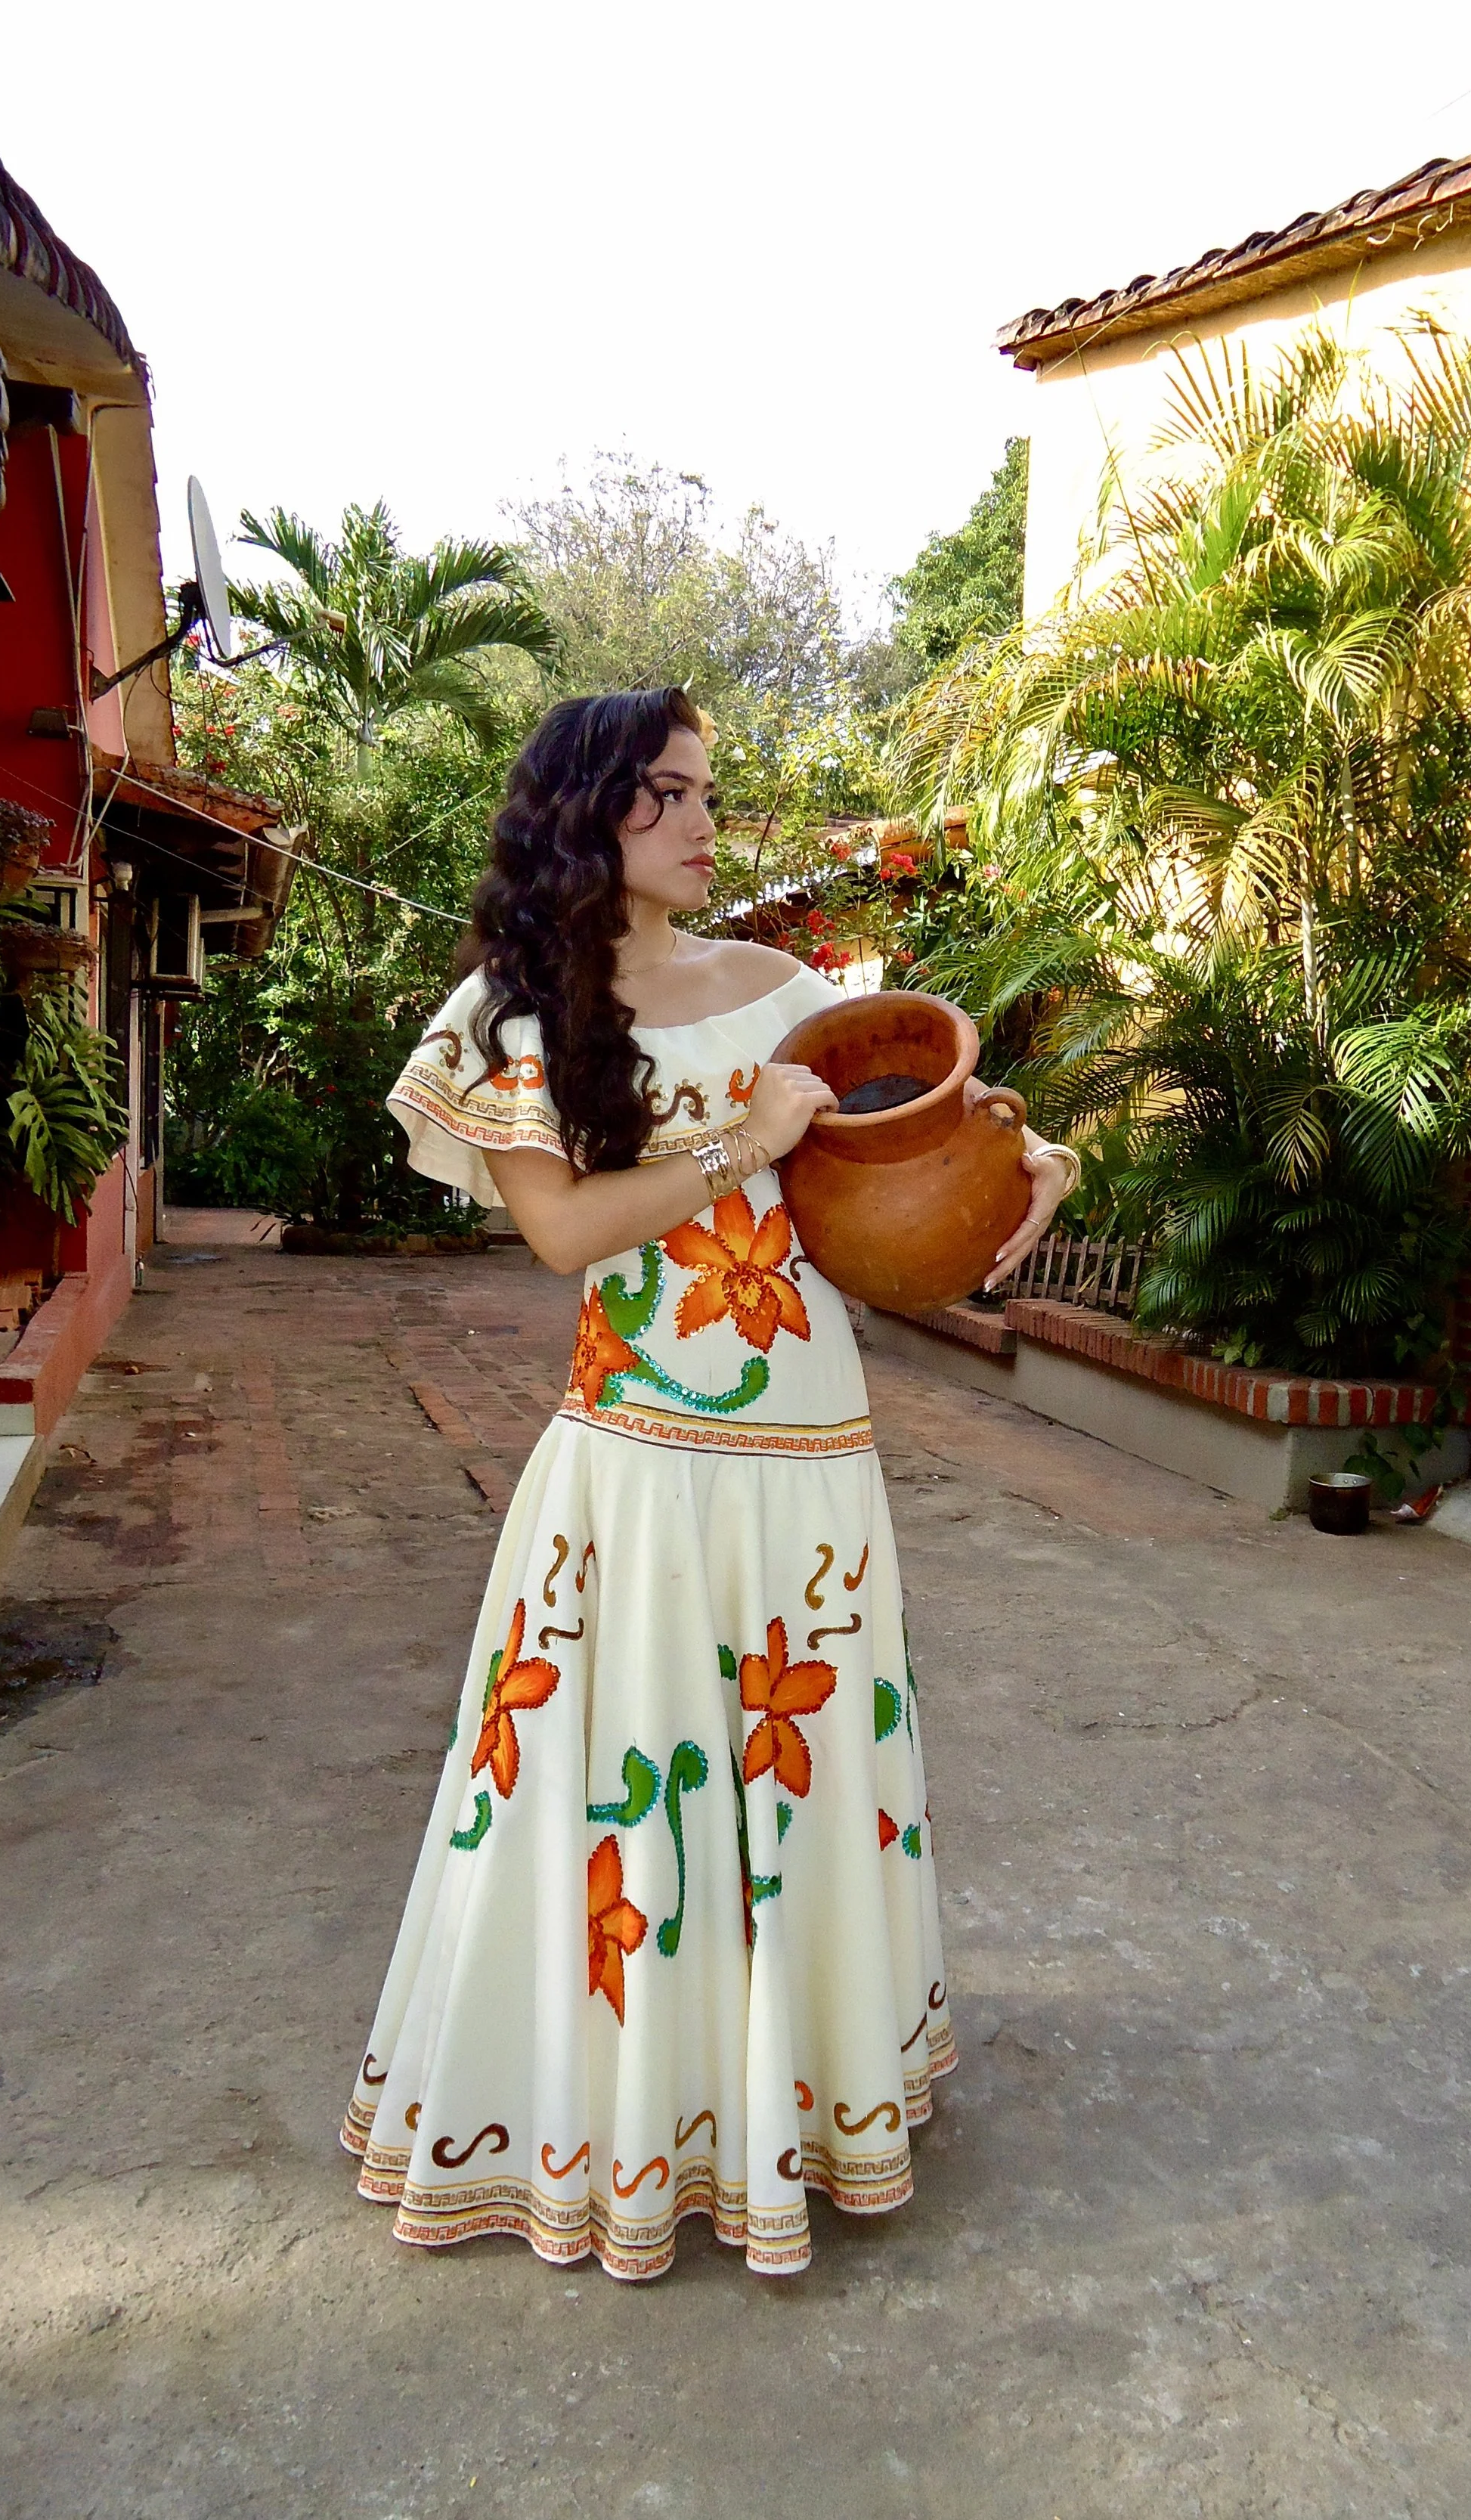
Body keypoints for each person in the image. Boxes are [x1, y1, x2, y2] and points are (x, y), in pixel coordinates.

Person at [341, 688, 1074, 2280]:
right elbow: (563, 1233)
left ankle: (802, 2109)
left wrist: (1031, 1163)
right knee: (620, 1782)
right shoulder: (510, 1016)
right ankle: (612, 2132)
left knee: (800, 1772)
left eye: (707, 794)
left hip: (810, 1461)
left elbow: (914, 1141)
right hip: (637, 1465)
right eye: (664, 793)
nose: (700, 823)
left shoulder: (791, 996)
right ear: (584, 804)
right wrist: (739, 1145)